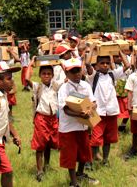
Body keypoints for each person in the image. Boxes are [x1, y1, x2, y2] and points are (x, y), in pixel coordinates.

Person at [58, 58, 99, 187]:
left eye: (78, 71)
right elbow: (65, 109)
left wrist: (91, 109)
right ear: (66, 73)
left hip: (83, 126)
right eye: (73, 71)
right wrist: (79, 114)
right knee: (70, 155)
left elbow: (93, 101)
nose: (77, 74)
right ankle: (73, 182)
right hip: (69, 127)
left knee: (83, 151)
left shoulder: (85, 85)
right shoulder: (63, 89)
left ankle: (80, 174)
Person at [85, 55, 125, 167]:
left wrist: (119, 50)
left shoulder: (112, 74)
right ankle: (90, 160)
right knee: (95, 138)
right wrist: (92, 48)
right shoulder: (94, 75)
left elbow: (127, 66)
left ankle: (105, 160)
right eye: (102, 63)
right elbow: (87, 64)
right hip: (98, 111)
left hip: (111, 111)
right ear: (97, 65)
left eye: (107, 63)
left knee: (109, 137)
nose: (105, 65)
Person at [25, 57, 60, 182]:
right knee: (40, 145)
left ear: (52, 75)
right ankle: (39, 171)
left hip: (53, 119)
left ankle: (47, 165)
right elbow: (27, 78)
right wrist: (31, 64)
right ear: (40, 75)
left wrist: (60, 62)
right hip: (41, 119)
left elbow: (67, 78)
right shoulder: (37, 86)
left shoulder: (56, 86)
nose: (46, 76)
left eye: (49, 74)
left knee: (49, 144)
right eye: (44, 73)